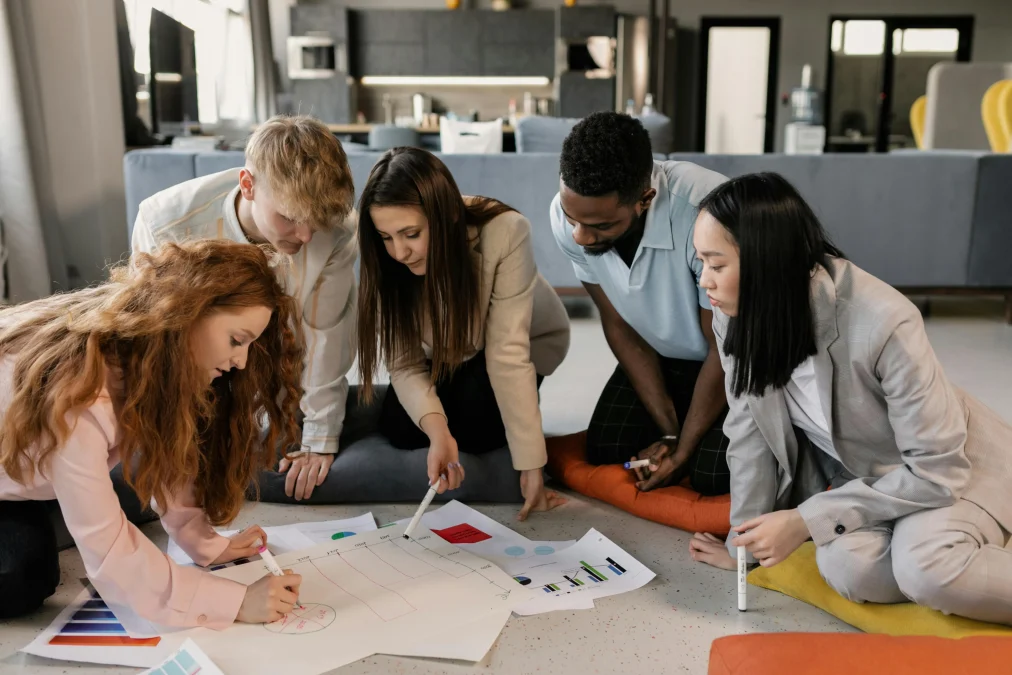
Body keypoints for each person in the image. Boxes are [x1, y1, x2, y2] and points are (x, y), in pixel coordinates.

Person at [687, 172, 1012, 625]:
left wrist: (805, 520)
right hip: (876, 480)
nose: (705, 281)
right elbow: (749, 436)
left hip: (953, 473)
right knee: (847, 568)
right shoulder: (737, 315)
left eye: (717, 265)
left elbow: (938, 470)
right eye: (700, 262)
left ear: (766, 262)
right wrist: (746, 552)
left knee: (926, 570)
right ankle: (962, 557)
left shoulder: (883, 321)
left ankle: (967, 542)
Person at [0, 240, 305, 625]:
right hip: (17, 469)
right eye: (236, 340)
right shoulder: (80, 394)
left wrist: (205, 544)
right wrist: (236, 602)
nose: (240, 361)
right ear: (188, 313)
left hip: (27, 464)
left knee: (114, 495)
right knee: (22, 576)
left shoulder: (148, 348)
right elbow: (110, 553)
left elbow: (166, 452)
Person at [132, 114, 357, 502]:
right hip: (197, 369)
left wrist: (320, 437)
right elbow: (156, 345)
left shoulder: (336, 227)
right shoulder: (166, 223)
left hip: (284, 364)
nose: (305, 236)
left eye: (315, 223)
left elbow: (326, 333)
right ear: (248, 185)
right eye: (289, 218)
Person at [357, 147, 570, 521]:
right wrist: (438, 432)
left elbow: (508, 354)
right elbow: (404, 364)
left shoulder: (506, 232)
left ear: (448, 215)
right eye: (386, 237)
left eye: (411, 234)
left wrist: (533, 463)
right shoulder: (389, 258)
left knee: (477, 429)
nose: (400, 252)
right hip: (448, 350)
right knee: (404, 430)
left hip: (520, 344)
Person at [550, 111, 731, 496]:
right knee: (606, 449)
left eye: (601, 227)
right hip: (665, 353)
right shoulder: (570, 217)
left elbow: (723, 346)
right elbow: (617, 322)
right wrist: (668, 430)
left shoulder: (707, 216)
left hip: (736, 356)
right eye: (573, 220)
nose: (580, 237)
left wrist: (682, 450)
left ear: (645, 199)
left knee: (711, 475)